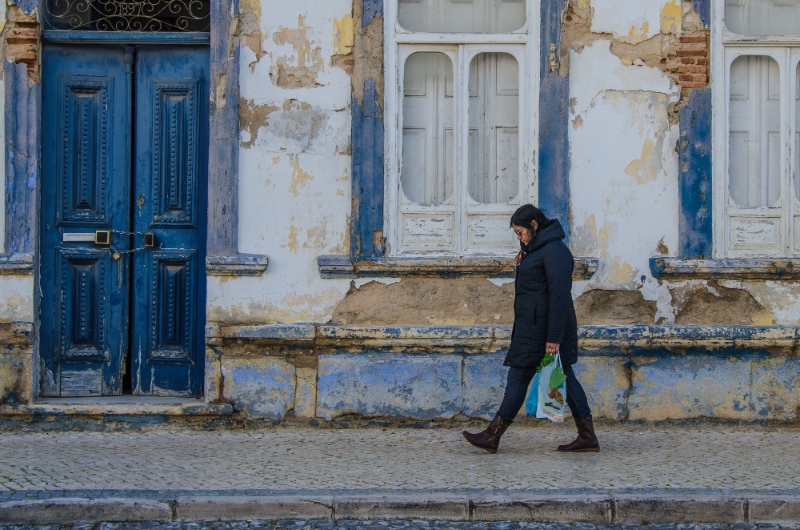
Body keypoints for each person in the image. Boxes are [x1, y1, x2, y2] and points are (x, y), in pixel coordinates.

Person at [462, 204, 599, 454]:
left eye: (520, 232)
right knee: (565, 378)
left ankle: (492, 436)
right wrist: (524, 258)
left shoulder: (555, 251)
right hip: (534, 328)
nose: (519, 237)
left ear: (534, 226)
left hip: (544, 332)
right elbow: (536, 286)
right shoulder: (538, 250)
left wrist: (554, 338)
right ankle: (587, 436)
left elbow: (559, 297)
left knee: (519, 379)